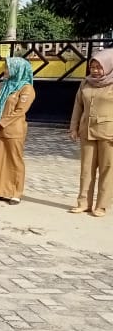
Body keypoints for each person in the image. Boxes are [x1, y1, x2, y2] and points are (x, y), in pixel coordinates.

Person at [0, 57, 36, 205]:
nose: (4, 70)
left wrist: (1, 123)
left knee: (14, 161)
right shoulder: (2, 85)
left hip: (13, 130)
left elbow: (20, 110)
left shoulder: (26, 88)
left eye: (7, 67)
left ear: (17, 69)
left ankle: (15, 192)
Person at [69, 48, 113, 217]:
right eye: (92, 67)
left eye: (99, 67)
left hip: (108, 132)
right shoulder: (85, 82)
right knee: (86, 169)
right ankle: (83, 203)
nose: (95, 70)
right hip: (86, 130)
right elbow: (78, 106)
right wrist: (74, 127)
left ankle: (101, 205)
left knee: (107, 169)